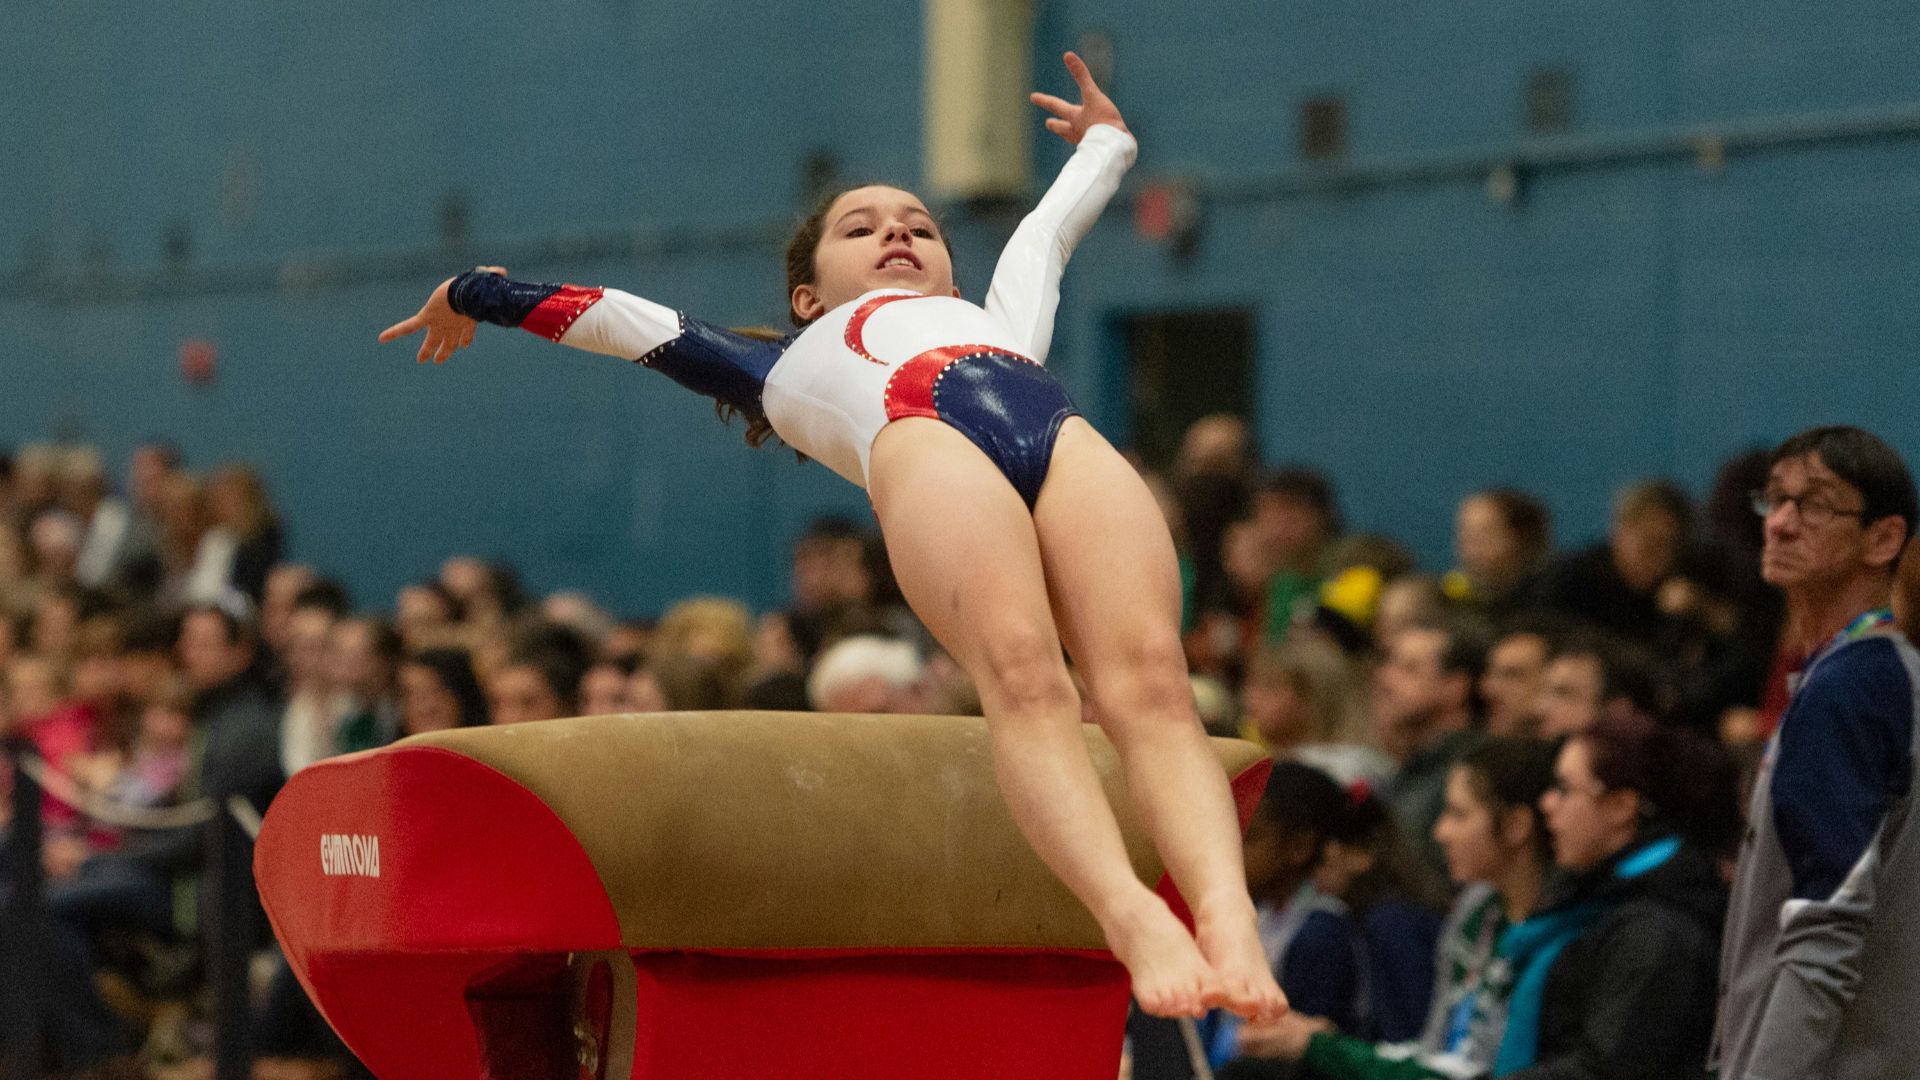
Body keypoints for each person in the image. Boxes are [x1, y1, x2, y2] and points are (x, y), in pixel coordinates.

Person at [378, 53, 1283, 1020]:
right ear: (807, 295)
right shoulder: (778, 366)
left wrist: (1108, 140)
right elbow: (621, 321)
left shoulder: (1000, 318)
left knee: (1150, 680)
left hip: (1055, 435)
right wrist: (477, 292)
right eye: (861, 227)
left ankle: (1227, 920)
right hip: (922, 442)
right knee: (1026, 676)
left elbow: (1046, 232)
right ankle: (1129, 916)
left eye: (919, 225)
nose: (897, 230)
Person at [1715, 426, 1920, 1080]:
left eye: (1815, 505)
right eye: (1774, 499)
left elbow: (1825, 931)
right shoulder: (1876, 674)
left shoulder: (1849, 692)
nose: (1779, 523)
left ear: (1883, 539)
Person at [1236, 738, 1557, 1080]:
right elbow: (1432, 1052)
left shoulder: (1394, 924)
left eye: (1458, 814)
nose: (1441, 832)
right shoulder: (1475, 912)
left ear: (1516, 826)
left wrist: (1321, 1047)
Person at [1501, 709, 1735, 1080]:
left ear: (1621, 807)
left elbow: (1604, 1072)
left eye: (1564, 789)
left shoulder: (1658, 930)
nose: (1546, 803)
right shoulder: (1603, 899)